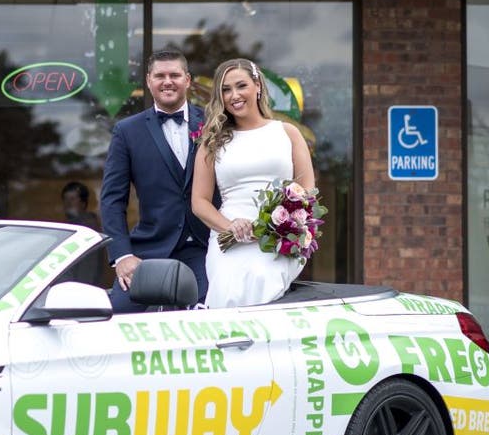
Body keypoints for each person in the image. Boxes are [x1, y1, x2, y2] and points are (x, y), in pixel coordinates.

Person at [191, 58, 316, 308]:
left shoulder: (287, 133)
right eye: (225, 90)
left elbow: (307, 190)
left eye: (241, 86)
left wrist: (278, 226)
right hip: (229, 239)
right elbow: (199, 202)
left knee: (260, 278)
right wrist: (230, 227)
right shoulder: (212, 142)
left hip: (278, 238)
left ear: (257, 85)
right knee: (228, 288)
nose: (234, 95)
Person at [100, 49, 213, 313]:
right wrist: (122, 255)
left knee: (210, 322)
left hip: (206, 249)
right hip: (149, 251)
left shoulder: (214, 123)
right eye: (160, 75)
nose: (167, 81)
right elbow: (112, 200)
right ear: (148, 81)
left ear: (188, 80)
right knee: (115, 320)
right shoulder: (127, 131)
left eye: (175, 75)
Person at [60, 181, 105, 286]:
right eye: (65, 199)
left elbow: (89, 267)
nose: (68, 204)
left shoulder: (86, 228)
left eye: (72, 199)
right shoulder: (70, 228)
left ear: (83, 203)